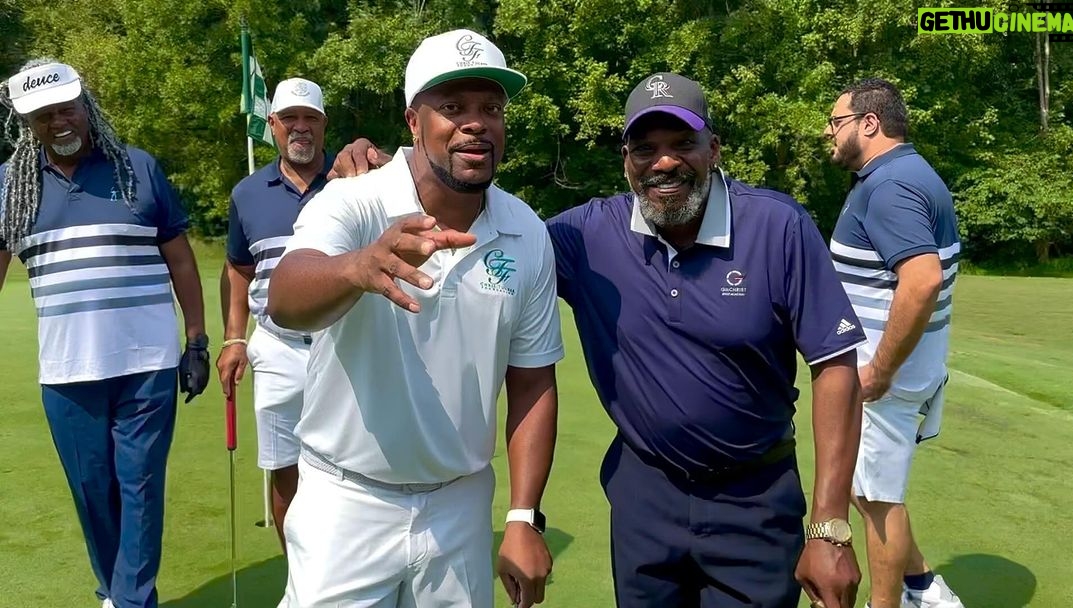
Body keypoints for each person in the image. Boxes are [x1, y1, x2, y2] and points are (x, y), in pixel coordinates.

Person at [331, 72, 866, 608]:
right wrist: (394, 172)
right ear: (625, 158)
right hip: (644, 498)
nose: (664, 162)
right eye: (646, 147)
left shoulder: (778, 226)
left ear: (714, 150)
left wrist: (829, 527)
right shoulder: (586, 234)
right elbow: (503, 241)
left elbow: (835, 365)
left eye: (683, 144)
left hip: (755, 496)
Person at [265, 29, 564, 608]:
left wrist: (524, 516)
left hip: (460, 502)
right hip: (344, 500)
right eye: (452, 108)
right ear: (413, 122)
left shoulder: (527, 229)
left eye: (491, 108)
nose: (475, 123)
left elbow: (531, 379)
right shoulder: (354, 201)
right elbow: (285, 295)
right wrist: (358, 266)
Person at [0, 59, 208, 608]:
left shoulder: (137, 168)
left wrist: (197, 341)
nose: (58, 122)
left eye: (66, 108)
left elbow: (182, 262)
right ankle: (115, 591)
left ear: (85, 107)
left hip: (147, 365)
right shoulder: (11, 187)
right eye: (43, 116)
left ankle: (132, 600)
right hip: (67, 372)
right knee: (94, 493)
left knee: (139, 487)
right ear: (29, 123)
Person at [824, 79, 963, 608]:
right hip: (905, 371)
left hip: (886, 379)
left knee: (879, 500)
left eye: (836, 123)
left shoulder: (891, 187)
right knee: (864, 489)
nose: (828, 133)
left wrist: (879, 371)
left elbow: (923, 279)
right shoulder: (904, 172)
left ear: (869, 123)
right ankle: (924, 583)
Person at [216, 77, 332, 558]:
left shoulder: (356, 181)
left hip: (344, 345)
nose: (300, 128)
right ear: (273, 125)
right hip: (278, 346)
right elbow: (240, 270)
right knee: (284, 469)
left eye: (310, 119)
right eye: (290, 119)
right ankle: (301, 576)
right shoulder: (248, 193)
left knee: (358, 464)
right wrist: (232, 339)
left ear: (325, 126)